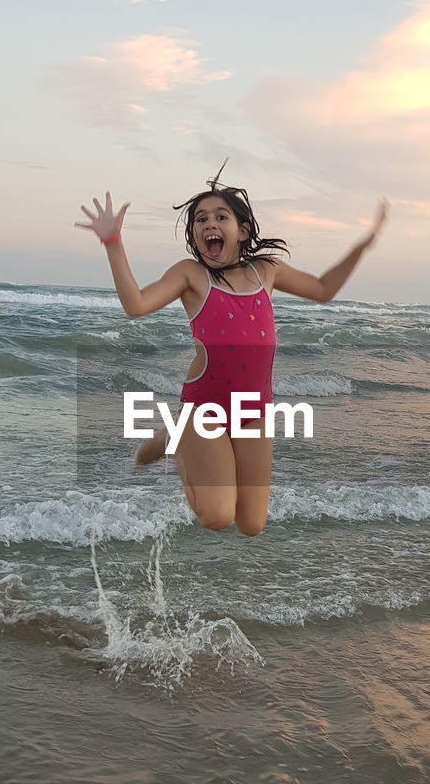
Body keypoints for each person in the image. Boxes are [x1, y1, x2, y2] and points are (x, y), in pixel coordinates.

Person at [75, 161, 389, 536]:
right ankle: (182, 433)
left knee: (251, 524)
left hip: (253, 410)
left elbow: (323, 290)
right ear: (194, 235)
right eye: (200, 219)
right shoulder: (191, 274)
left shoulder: (266, 271)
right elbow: (136, 305)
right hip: (205, 408)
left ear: (241, 230)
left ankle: (171, 435)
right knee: (217, 516)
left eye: (220, 216)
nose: (209, 224)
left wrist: (362, 247)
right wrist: (113, 242)